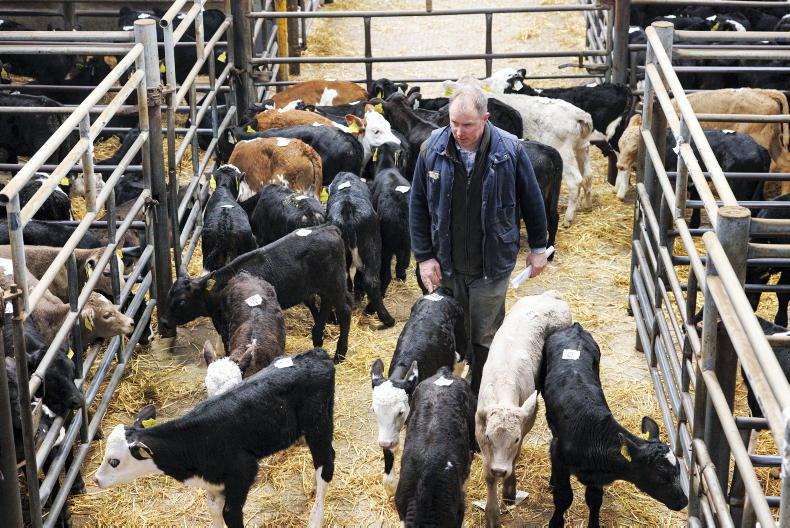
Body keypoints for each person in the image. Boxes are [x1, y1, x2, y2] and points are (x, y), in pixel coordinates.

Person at [408, 79, 549, 394]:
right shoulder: (432, 149)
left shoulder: (510, 151)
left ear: (485, 119)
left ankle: (478, 393)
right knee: (451, 329)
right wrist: (425, 257)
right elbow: (417, 204)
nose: (459, 131)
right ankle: (449, 392)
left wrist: (539, 247)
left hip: (492, 262)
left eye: (468, 125)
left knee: (486, 332)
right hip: (446, 262)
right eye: (454, 123)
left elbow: (532, 200)